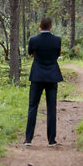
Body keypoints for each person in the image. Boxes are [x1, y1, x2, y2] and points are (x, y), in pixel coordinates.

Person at [25, 17, 63, 145]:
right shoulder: (57, 40)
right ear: (50, 26)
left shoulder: (33, 40)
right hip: (52, 76)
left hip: (37, 76)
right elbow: (57, 55)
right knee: (51, 108)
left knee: (33, 106)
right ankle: (51, 140)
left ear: (40, 26)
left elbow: (31, 53)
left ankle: (28, 139)